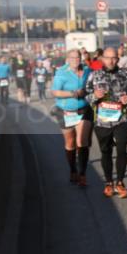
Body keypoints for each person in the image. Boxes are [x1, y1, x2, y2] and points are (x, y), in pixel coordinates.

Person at [86, 47, 127, 199]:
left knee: (121, 148)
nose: (111, 60)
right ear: (102, 58)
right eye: (108, 58)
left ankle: (120, 182)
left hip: (121, 119)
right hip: (102, 121)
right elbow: (87, 95)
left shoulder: (125, 73)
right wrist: (94, 96)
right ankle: (109, 183)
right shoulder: (94, 75)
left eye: (114, 58)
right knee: (106, 152)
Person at [51, 49, 93, 186]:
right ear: (67, 59)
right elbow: (55, 92)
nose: (75, 60)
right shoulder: (61, 73)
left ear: (81, 58)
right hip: (66, 111)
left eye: (77, 57)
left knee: (82, 141)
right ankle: (73, 170)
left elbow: (92, 85)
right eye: (72, 57)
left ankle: (83, 174)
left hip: (83, 109)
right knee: (70, 143)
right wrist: (73, 93)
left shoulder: (87, 70)